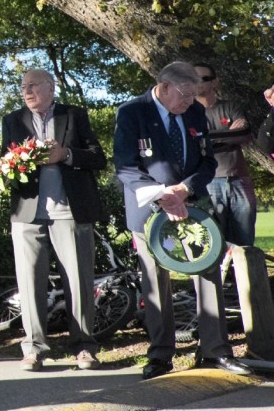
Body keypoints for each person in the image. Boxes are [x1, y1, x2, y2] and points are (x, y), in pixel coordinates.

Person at [114, 61, 252, 379]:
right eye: (186, 95)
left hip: (191, 206)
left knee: (207, 274)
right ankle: (160, 356)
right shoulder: (132, 112)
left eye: (194, 95)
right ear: (163, 88)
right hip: (149, 210)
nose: (191, 102)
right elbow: (125, 165)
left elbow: (206, 161)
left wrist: (184, 188)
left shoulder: (193, 113)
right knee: (155, 282)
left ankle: (215, 351)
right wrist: (162, 195)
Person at [0, 69, 105, 371]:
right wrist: (13, 166)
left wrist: (66, 154)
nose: (26, 91)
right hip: (28, 214)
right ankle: (33, 349)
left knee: (79, 281)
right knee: (30, 283)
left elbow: (98, 157)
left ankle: (84, 347)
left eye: (32, 85)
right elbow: (6, 163)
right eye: (23, 87)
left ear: (50, 87)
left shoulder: (74, 115)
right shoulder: (12, 121)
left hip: (69, 212)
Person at [193, 63, 257, 248]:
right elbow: (197, 143)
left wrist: (209, 138)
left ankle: (244, 277)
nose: (197, 83)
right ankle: (223, 277)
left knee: (245, 241)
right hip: (208, 182)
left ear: (215, 82)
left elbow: (244, 133)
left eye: (203, 79)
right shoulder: (189, 114)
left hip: (239, 180)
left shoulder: (231, 106)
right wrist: (228, 134)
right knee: (214, 240)